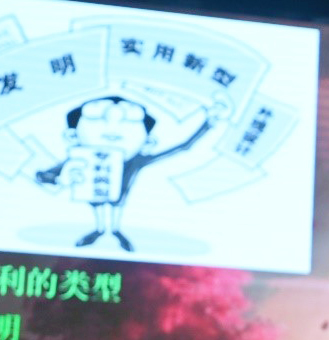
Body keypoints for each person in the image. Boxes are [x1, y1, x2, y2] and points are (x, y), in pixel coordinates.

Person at [36, 95, 222, 252]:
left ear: (148, 141)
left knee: (116, 206)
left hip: (120, 200)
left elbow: (183, 147)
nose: (112, 128)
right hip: (94, 198)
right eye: (97, 119)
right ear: (72, 135)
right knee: (99, 206)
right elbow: (44, 176)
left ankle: (115, 231)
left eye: (129, 122)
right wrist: (61, 179)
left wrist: (208, 124)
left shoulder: (135, 161)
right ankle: (99, 230)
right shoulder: (80, 158)